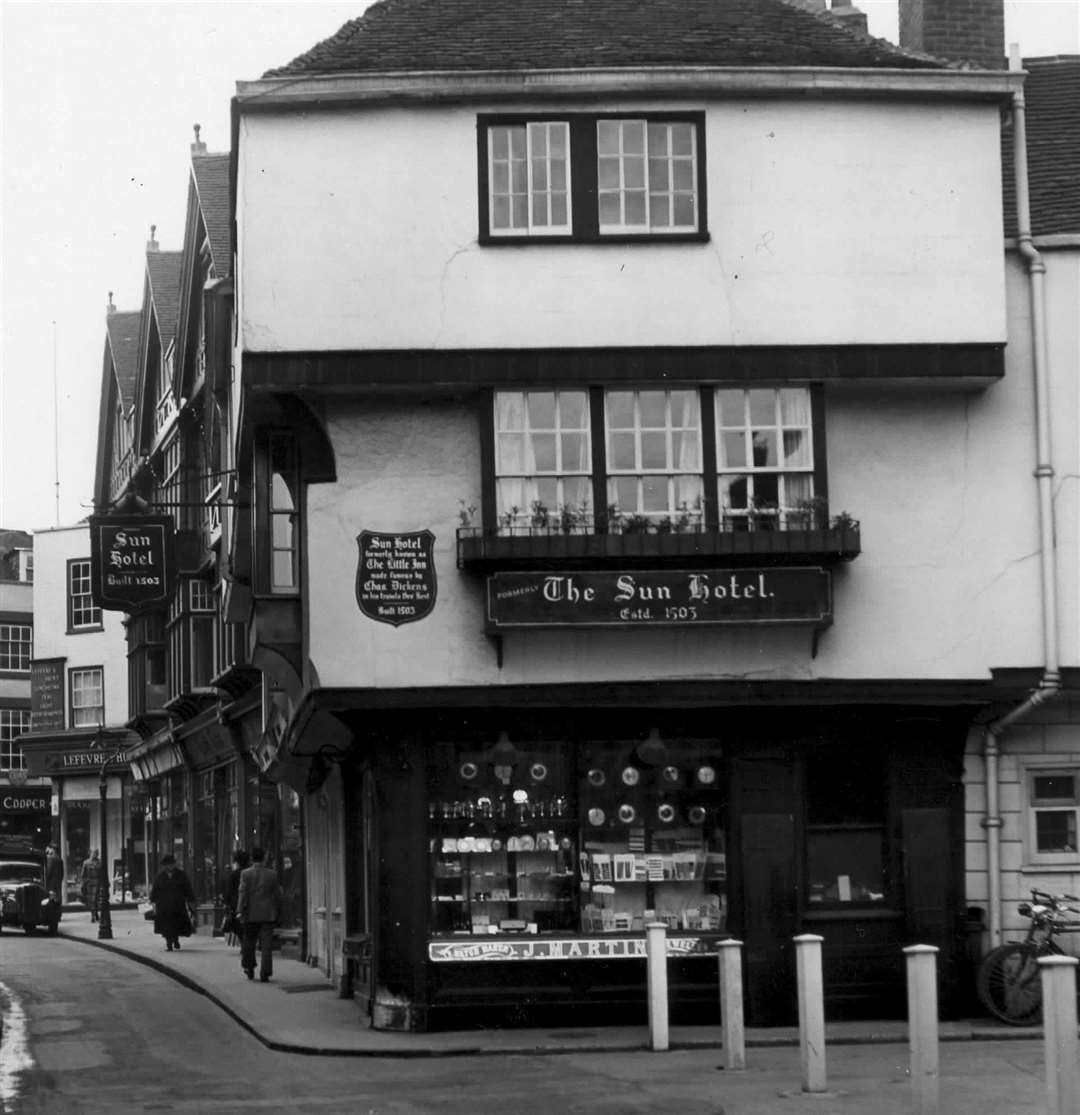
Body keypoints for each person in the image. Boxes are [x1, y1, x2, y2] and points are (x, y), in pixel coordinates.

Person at [237, 847, 281, 982]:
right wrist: (277, 909)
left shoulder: (245, 874)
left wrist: (239, 910)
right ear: (264, 858)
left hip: (250, 914)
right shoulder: (272, 874)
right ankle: (265, 973)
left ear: (252, 859)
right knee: (267, 945)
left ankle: (249, 967)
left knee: (249, 942)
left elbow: (243, 893)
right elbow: (277, 894)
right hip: (268, 914)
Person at [149, 854, 195, 952]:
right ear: (165, 866)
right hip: (164, 906)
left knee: (176, 925)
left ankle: (176, 940)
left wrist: (190, 899)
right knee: (167, 927)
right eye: (168, 865)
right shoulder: (160, 877)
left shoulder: (181, 875)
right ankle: (169, 944)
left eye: (172, 864)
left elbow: (187, 888)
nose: (170, 866)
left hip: (177, 905)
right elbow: (155, 889)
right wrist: (152, 900)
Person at [223, 849, 250, 944]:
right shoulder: (249, 872)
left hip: (236, 904)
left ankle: (244, 944)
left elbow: (229, 890)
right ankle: (246, 944)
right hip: (249, 903)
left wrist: (226, 903)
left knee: (238, 926)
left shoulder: (234, 874)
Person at [81, 850, 101, 922]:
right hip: (89, 883)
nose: (94, 854)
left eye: (96, 853)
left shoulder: (100, 862)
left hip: (97, 882)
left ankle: (95, 914)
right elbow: (83, 874)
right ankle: (94, 914)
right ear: (90, 853)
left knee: (95, 899)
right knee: (91, 900)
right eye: (93, 853)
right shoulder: (86, 863)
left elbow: (102, 874)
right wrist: (84, 883)